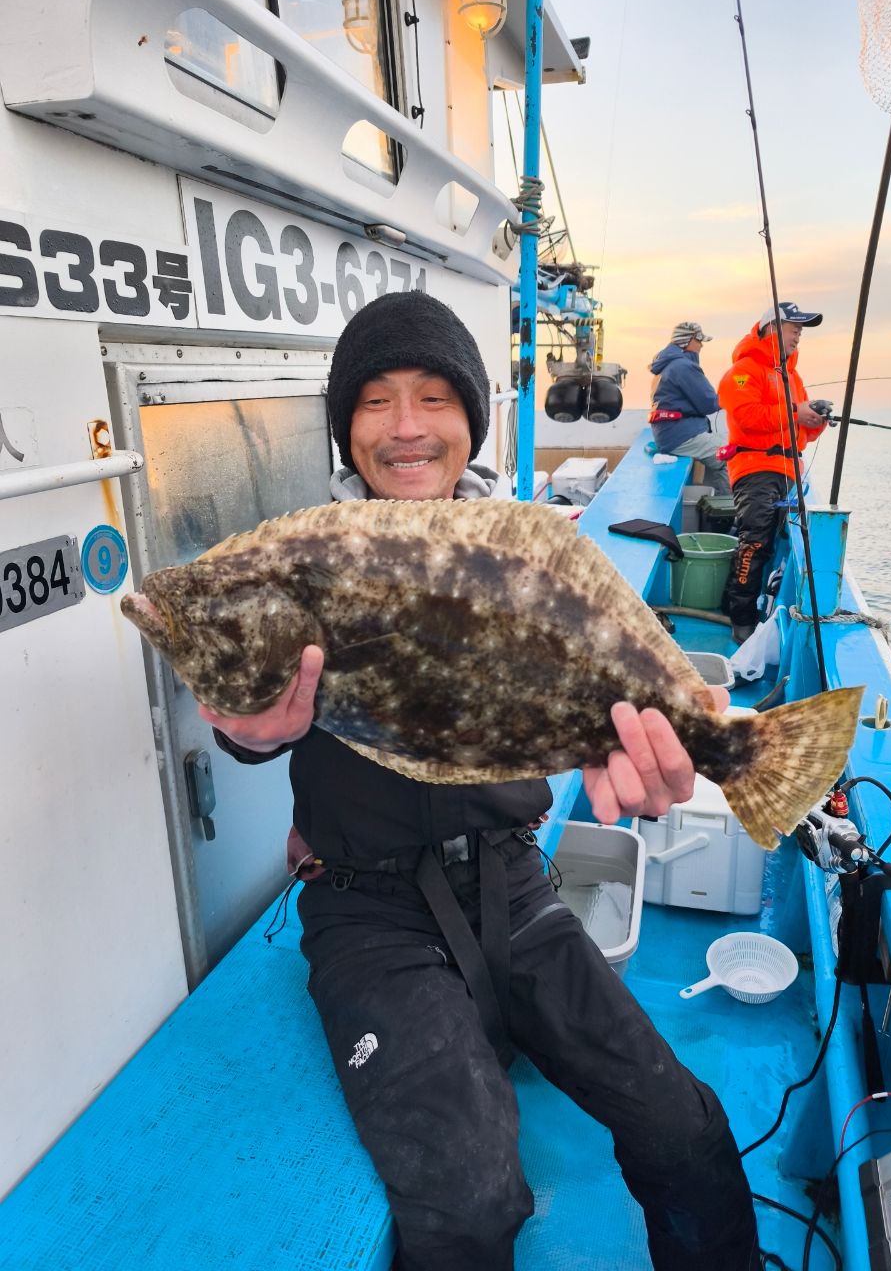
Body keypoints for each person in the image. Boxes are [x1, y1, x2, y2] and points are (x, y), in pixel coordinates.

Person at [201, 291, 760, 1271]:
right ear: (347, 429)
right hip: (368, 911)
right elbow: (253, 719)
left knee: (689, 1127)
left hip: (514, 881)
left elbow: (595, 685)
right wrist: (250, 738)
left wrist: (643, 744)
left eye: (432, 397)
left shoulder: (526, 557)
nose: (406, 425)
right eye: (375, 400)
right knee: (469, 1201)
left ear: (470, 420)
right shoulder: (302, 564)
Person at [719, 301, 828, 645]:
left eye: (800, 329)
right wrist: (797, 411)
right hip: (755, 469)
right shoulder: (743, 371)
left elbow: (803, 433)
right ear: (771, 328)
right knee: (755, 541)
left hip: (787, 471)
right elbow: (748, 416)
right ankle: (741, 618)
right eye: (793, 327)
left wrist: (816, 419)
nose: (798, 335)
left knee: (767, 542)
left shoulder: (793, 377)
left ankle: (739, 606)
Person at [648, 321, 730, 492]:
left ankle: (713, 501)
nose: (701, 346)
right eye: (699, 341)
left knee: (718, 454)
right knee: (729, 455)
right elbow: (709, 403)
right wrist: (733, 397)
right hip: (680, 435)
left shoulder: (669, 364)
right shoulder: (683, 366)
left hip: (670, 433)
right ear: (687, 341)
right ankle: (728, 510)